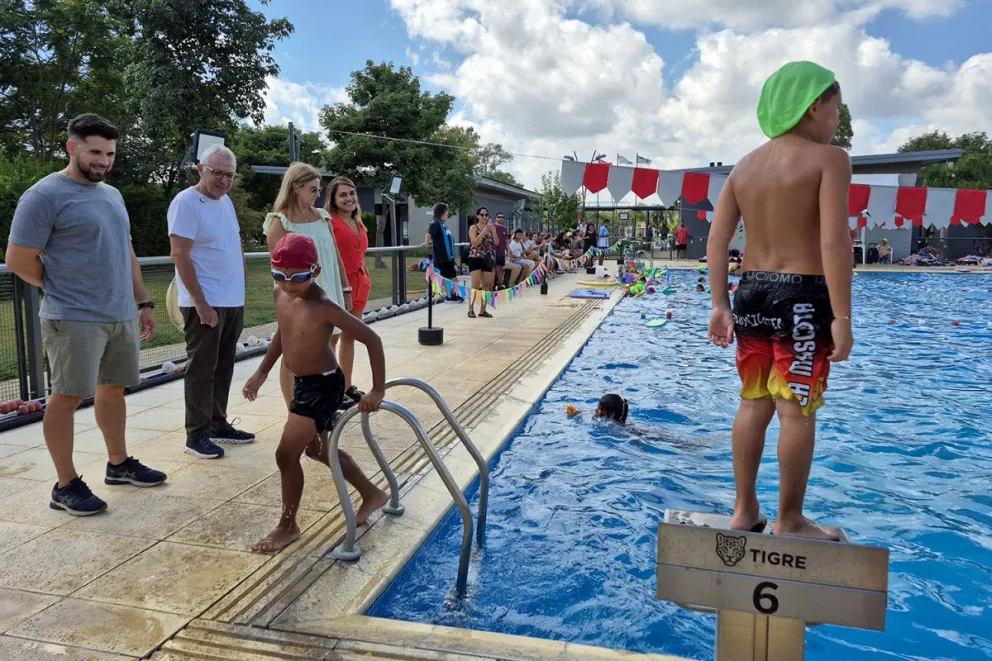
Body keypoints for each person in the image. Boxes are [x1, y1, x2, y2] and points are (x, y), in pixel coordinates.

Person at [706, 61, 854, 541]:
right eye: (836, 109)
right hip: (802, 298)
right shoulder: (830, 160)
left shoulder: (744, 168)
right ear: (812, 107)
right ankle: (789, 520)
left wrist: (720, 304)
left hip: (750, 292)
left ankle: (744, 509)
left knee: (754, 403)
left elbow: (716, 241)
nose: (837, 121)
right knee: (796, 409)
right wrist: (842, 315)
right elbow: (834, 242)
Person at [5, 113, 166, 515]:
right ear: (71, 147)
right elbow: (18, 259)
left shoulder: (112, 195)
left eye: (109, 154)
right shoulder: (44, 196)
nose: (103, 161)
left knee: (113, 389)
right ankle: (65, 485)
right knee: (67, 397)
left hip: (120, 314)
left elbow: (126, 250)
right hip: (73, 316)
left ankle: (118, 464)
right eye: (95, 152)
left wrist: (143, 303)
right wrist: (60, 287)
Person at [243, 233, 389, 553]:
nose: (288, 284)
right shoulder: (281, 294)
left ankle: (288, 525)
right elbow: (283, 332)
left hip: (323, 386)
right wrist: (262, 371)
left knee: (285, 454)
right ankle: (372, 494)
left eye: (298, 277)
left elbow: (372, 339)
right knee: (318, 450)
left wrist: (377, 389)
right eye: (279, 275)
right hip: (303, 383)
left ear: (316, 271)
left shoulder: (323, 306)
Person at [168, 144, 254, 460]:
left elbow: (234, 240)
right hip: (205, 302)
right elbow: (180, 255)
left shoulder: (226, 201)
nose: (224, 180)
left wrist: (242, 272)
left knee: (224, 365)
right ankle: (197, 435)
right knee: (202, 369)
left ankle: (218, 423)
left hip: (232, 299)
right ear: (200, 169)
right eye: (217, 173)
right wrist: (201, 304)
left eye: (230, 175)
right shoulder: (186, 202)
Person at [263, 163, 361, 413]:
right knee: (294, 353)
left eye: (319, 190)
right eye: (313, 189)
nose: (318, 195)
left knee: (329, 344)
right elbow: (279, 270)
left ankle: (324, 402)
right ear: (296, 187)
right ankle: (294, 409)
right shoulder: (280, 222)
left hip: (329, 289)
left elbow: (335, 254)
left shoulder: (322, 216)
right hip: (300, 296)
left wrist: (345, 289)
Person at [327, 176, 372, 397]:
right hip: (339, 287)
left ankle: (346, 386)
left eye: (352, 193)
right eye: (342, 195)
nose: (349, 198)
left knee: (349, 337)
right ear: (333, 199)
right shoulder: (329, 221)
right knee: (332, 340)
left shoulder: (359, 222)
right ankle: (331, 390)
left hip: (360, 285)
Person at [424, 203, 464, 302]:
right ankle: (452, 295)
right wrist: (426, 242)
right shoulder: (435, 222)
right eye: (447, 211)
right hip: (443, 257)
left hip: (448, 257)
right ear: (443, 212)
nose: (448, 213)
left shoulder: (443, 223)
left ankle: (451, 295)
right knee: (451, 277)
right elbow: (429, 233)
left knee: (449, 277)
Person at [466, 207, 497, 318]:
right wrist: (483, 232)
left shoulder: (490, 228)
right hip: (475, 258)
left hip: (487, 259)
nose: (484, 217)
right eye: (482, 215)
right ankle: (470, 309)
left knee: (486, 286)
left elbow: (496, 243)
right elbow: (474, 243)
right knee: (475, 285)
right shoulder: (473, 227)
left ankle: (482, 310)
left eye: (486, 215)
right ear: (477, 216)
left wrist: (493, 231)